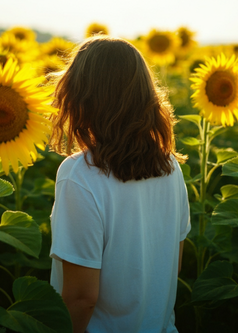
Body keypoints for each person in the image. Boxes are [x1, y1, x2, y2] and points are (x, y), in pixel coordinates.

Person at [49, 36, 191, 333]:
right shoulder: (170, 168)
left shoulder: (80, 176)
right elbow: (172, 266)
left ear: (81, 96)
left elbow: (80, 297)